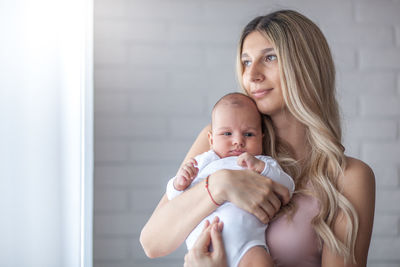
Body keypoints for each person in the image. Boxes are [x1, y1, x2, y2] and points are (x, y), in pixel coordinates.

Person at [140, 9, 375, 267]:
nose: (252, 76)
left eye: (270, 57)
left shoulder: (349, 177)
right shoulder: (220, 143)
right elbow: (153, 242)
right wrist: (219, 185)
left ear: (306, 66)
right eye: (247, 62)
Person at [166, 92, 295, 267]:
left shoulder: (263, 162)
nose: (238, 141)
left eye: (249, 135)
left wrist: (261, 168)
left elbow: (288, 186)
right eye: (227, 133)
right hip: (203, 248)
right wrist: (178, 183)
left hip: (248, 246)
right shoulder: (202, 163)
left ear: (261, 138)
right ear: (211, 140)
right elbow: (175, 201)